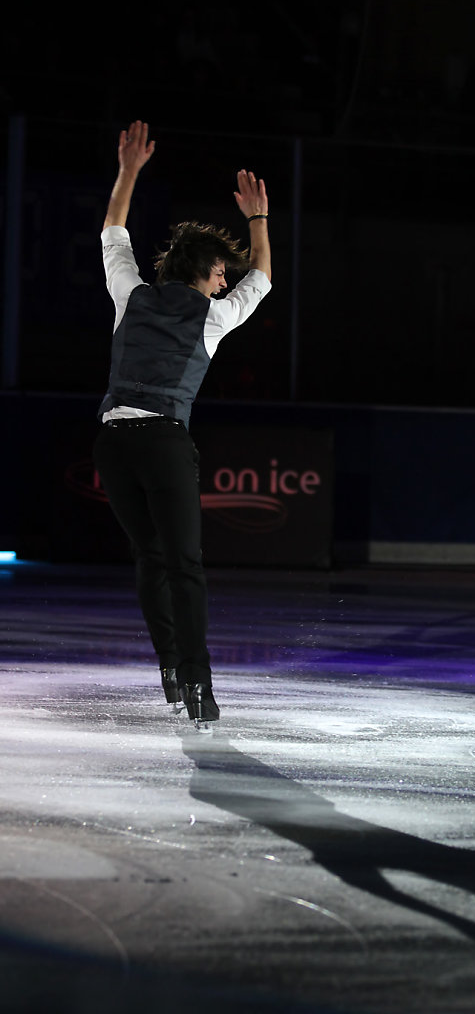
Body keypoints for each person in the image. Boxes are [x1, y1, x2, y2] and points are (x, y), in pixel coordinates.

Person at [93, 121, 271, 727]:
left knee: (150, 557)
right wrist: (258, 220)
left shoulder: (131, 294)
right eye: (222, 272)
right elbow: (265, 280)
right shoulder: (213, 320)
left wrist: (129, 171)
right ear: (204, 271)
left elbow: (114, 232)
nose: (227, 281)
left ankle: (171, 668)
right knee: (184, 563)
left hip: (113, 444)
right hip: (164, 442)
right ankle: (199, 686)